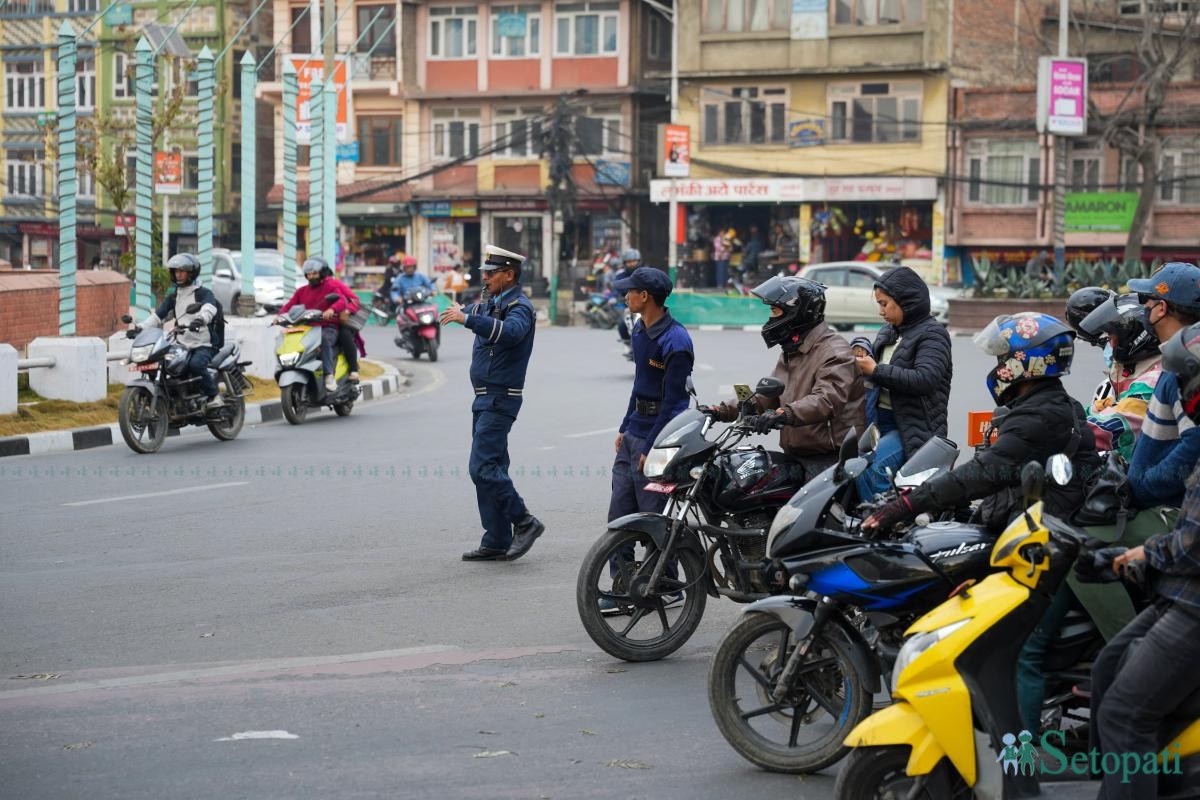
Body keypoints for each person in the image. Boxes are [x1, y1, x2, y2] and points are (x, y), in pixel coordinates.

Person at [863, 312, 1100, 536]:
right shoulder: (1057, 403)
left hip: (1039, 536)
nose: (998, 366)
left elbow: (983, 472)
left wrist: (904, 505)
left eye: (1002, 358)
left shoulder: (1039, 417)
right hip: (1035, 518)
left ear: (1024, 361)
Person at [1089, 322, 1200, 800]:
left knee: (1123, 713)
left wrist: (1137, 554)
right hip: (1179, 589)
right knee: (1107, 665)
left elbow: (1190, 546)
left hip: (1193, 601)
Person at [440, 245, 545, 562]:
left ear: (509, 275)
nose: (484, 278)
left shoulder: (519, 308)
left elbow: (511, 333)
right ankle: (497, 538)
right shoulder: (492, 303)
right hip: (484, 396)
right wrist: (464, 313)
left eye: (490, 273)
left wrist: (466, 319)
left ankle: (525, 522)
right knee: (492, 467)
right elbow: (475, 313)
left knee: (482, 467)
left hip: (501, 397)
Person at [706, 276, 866, 482]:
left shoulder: (834, 352)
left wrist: (782, 414)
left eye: (774, 312)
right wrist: (720, 411)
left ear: (797, 313)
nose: (770, 320)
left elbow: (826, 400)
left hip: (829, 459)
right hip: (798, 454)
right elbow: (768, 396)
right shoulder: (793, 350)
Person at [602, 267, 694, 613]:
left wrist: (654, 446)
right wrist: (625, 427)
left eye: (630, 291)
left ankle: (667, 585)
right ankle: (623, 584)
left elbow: (674, 404)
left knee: (652, 517)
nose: (625, 296)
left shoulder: (677, 342)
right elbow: (640, 383)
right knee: (620, 514)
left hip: (656, 437)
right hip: (633, 434)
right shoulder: (639, 329)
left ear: (645, 297)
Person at [852, 266, 953, 499]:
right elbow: (874, 359)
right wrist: (862, 346)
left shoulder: (933, 334)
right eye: (879, 304)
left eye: (885, 304)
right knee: (850, 469)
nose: (881, 311)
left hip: (913, 426)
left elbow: (925, 379)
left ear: (906, 301)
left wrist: (876, 370)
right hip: (879, 423)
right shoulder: (890, 331)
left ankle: (882, 524)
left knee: (871, 471)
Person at [1125, 262, 1200, 508]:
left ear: (1161, 308)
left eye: (1148, 300)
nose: (1144, 307)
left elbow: (1195, 444)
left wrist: (1145, 486)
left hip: (1167, 510)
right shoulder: (1182, 359)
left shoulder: (1184, 368)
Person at [1077, 293, 1163, 461]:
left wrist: (1053, 432)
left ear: (1136, 337)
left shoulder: (1153, 381)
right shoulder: (1143, 370)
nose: (1111, 344)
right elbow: (1099, 409)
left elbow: (1107, 428)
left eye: (1113, 337)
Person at [137, 253, 226, 410]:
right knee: (165, 364)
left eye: (182, 271)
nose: (178, 274)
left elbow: (209, 307)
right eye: (176, 271)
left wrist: (201, 319)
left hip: (204, 343)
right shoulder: (174, 296)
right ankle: (173, 400)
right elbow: (158, 316)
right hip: (182, 343)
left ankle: (214, 396)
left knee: (196, 365)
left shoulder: (203, 293)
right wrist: (140, 328)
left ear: (191, 273)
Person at [276, 257, 361, 390]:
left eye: (314, 273)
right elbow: (289, 305)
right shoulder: (301, 291)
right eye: (309, 274)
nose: (311, 277)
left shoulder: (332, 286)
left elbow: (342, 301)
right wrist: (279, 317)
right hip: (307, 327)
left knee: (325, 339)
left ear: (322, 273)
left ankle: (329, 376)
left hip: (328, 326)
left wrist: (332, 309)